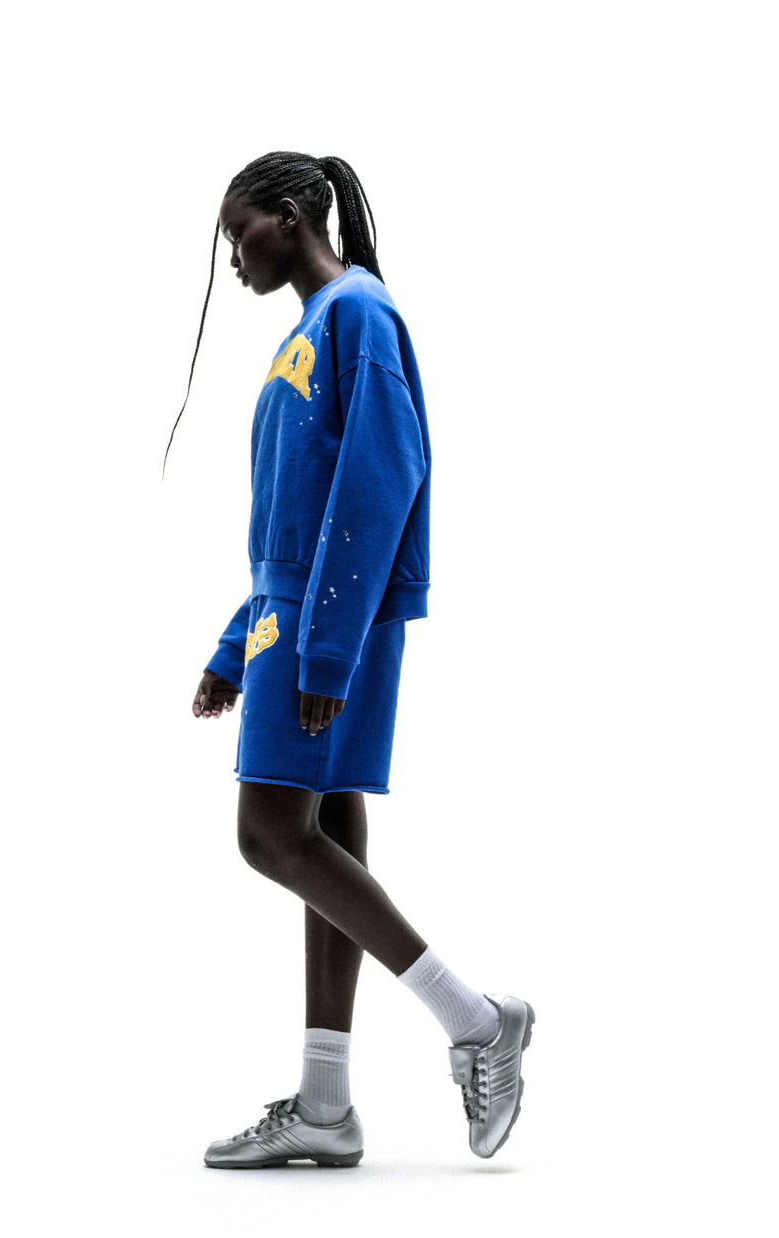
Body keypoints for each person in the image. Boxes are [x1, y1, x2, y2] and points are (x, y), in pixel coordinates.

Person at [175, 152, 534, 1169]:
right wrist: (237, 644)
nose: (232, 257)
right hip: (296, 618)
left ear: (290, 216)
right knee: (325, 831)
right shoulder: (311, 330)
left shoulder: (358, 315)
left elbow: (381, 481)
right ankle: (326, 1107)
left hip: (332, 622)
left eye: (238, 232)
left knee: (268, 835)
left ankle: (477, 1021)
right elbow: (288, 522)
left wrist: (326, 650)